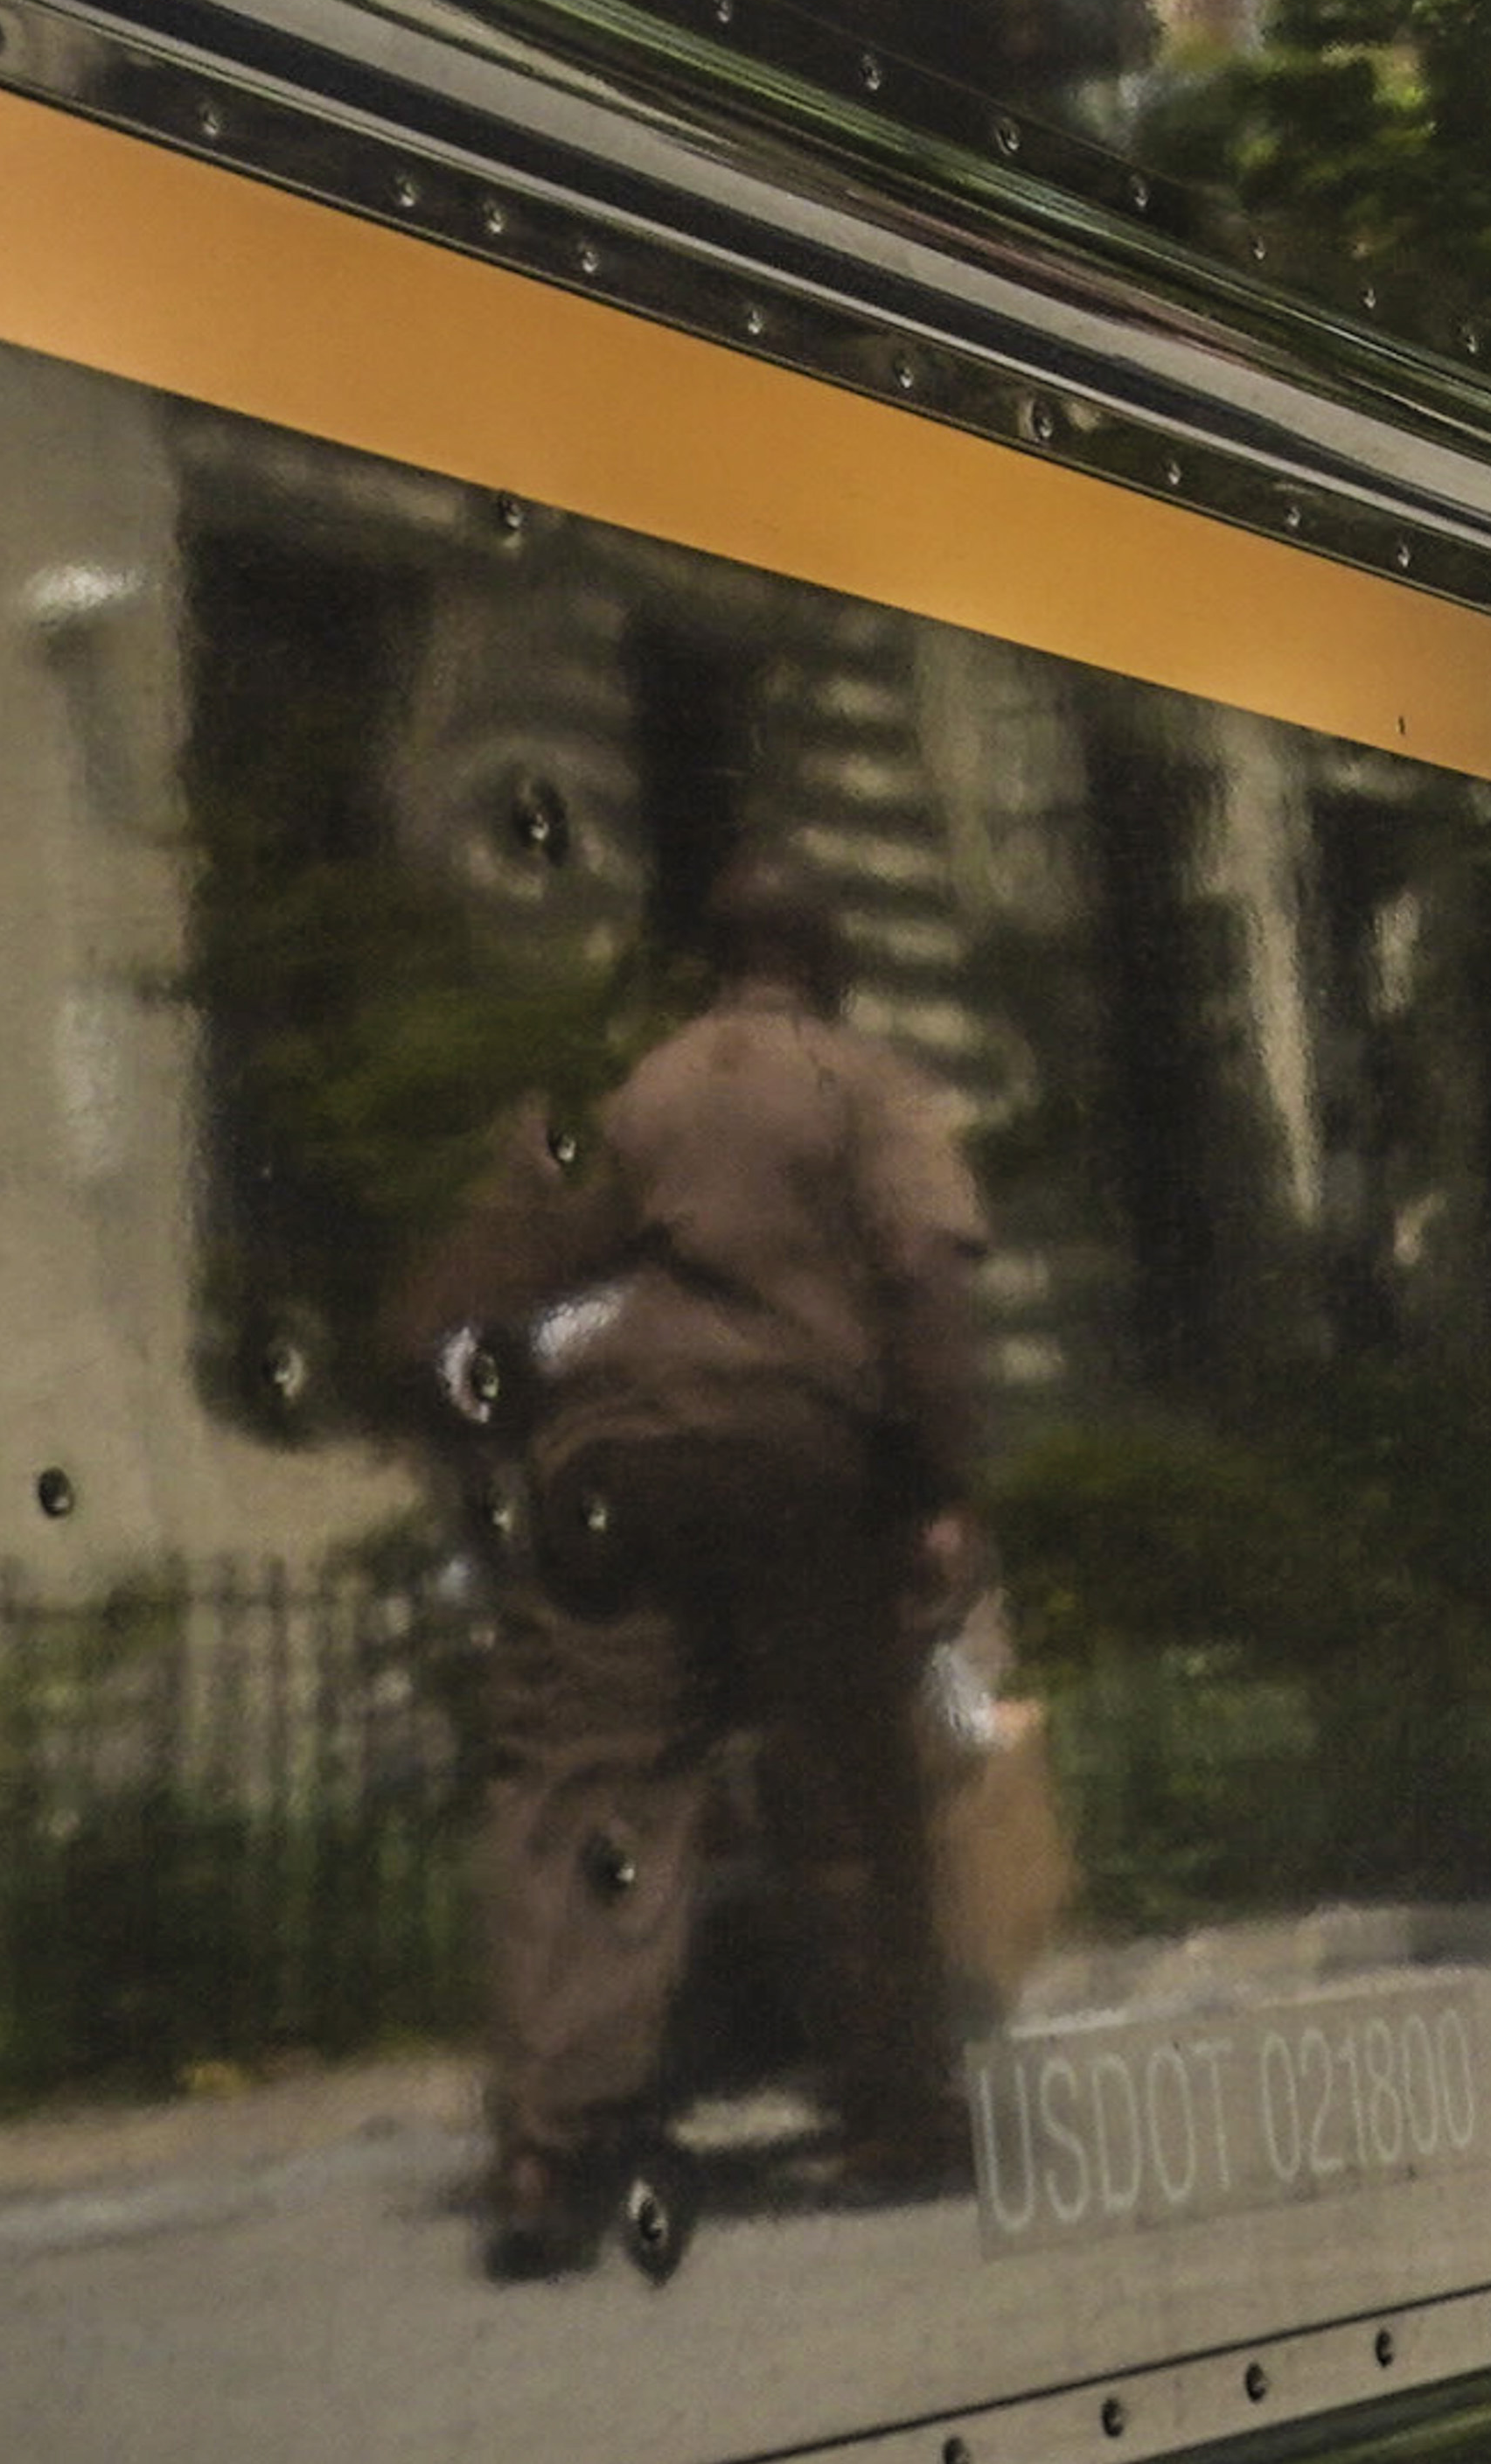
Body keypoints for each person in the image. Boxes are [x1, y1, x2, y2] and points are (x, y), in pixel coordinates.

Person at [399, 851, 991, 2275]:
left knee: (584, 1786)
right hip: (797, 1450)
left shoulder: (646, 1093)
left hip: (616, 1454)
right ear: (828, 960)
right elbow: (923, 1281)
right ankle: (892, 2113)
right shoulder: (867, 1086)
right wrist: (952, 1493)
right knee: (845, 1780)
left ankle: (548, 2147)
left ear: (713, 961)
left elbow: (538, 1271)